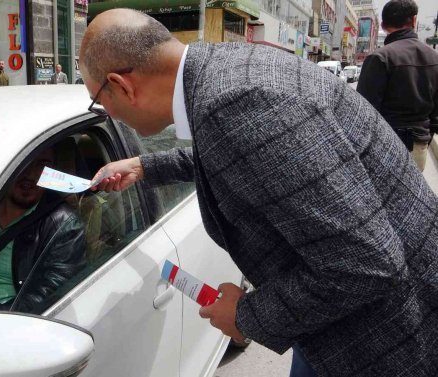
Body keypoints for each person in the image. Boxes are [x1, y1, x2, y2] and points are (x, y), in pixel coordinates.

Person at [82, 9, 438, 376]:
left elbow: (365, 264)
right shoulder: (223, 73)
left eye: (99, 101)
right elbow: (250, 156)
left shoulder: (235, 103)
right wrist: (144, 167)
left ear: (122, 85)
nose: (107, 112)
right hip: (352, 318)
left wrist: (246, 316)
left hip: (388, 337)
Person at [0, 147, 86, 325]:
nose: (31, 175)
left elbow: (49, 296)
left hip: (16, 326)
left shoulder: (64, 225)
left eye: (43, 165)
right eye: (24, 161)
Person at [357, 0, 438, 172]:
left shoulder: (379, 57)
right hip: (418, 145)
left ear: (384, 24)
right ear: (414, 20)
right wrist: (423, 138)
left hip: (384, 145)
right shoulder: (434, 59)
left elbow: (363, 111)